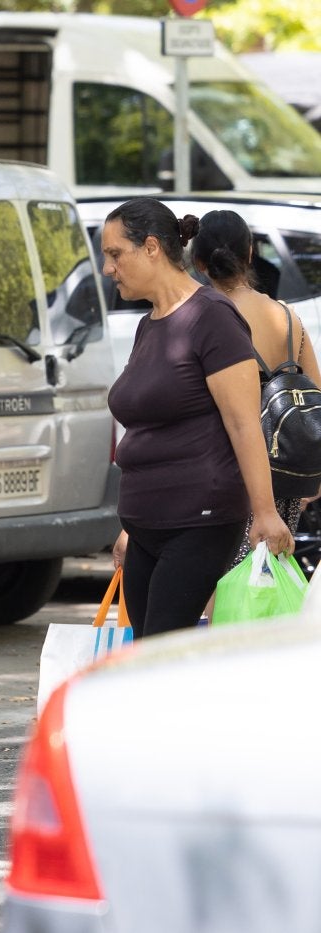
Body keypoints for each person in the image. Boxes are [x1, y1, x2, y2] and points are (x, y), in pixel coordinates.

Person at [105, 198, 292, 636]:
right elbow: (150, 426)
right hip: (145, 521)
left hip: (198, 519)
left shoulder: (213, 318)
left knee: (159, 656)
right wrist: (130, 530)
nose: (109, 268)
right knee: (146, 658)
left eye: (115, 254)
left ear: (151, 247)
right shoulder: (150, 323)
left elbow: (245, 423)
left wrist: (265, 512)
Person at [193, 209, 321, 568]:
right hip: (284, 474)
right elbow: (315, 398)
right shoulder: (287, 316)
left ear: (199, 262)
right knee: (263, 580)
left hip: (223, 472)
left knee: (221, 585)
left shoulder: (202, 318)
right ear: (250, 254)